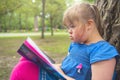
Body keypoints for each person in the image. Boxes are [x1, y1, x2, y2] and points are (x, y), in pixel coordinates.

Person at [58, 2, 119, 80]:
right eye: (68, 27)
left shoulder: (103, 52)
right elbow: (68, 66)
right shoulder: (75, 44)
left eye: (72, 26)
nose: (69, 31)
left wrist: (61, 75)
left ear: (89, 24)